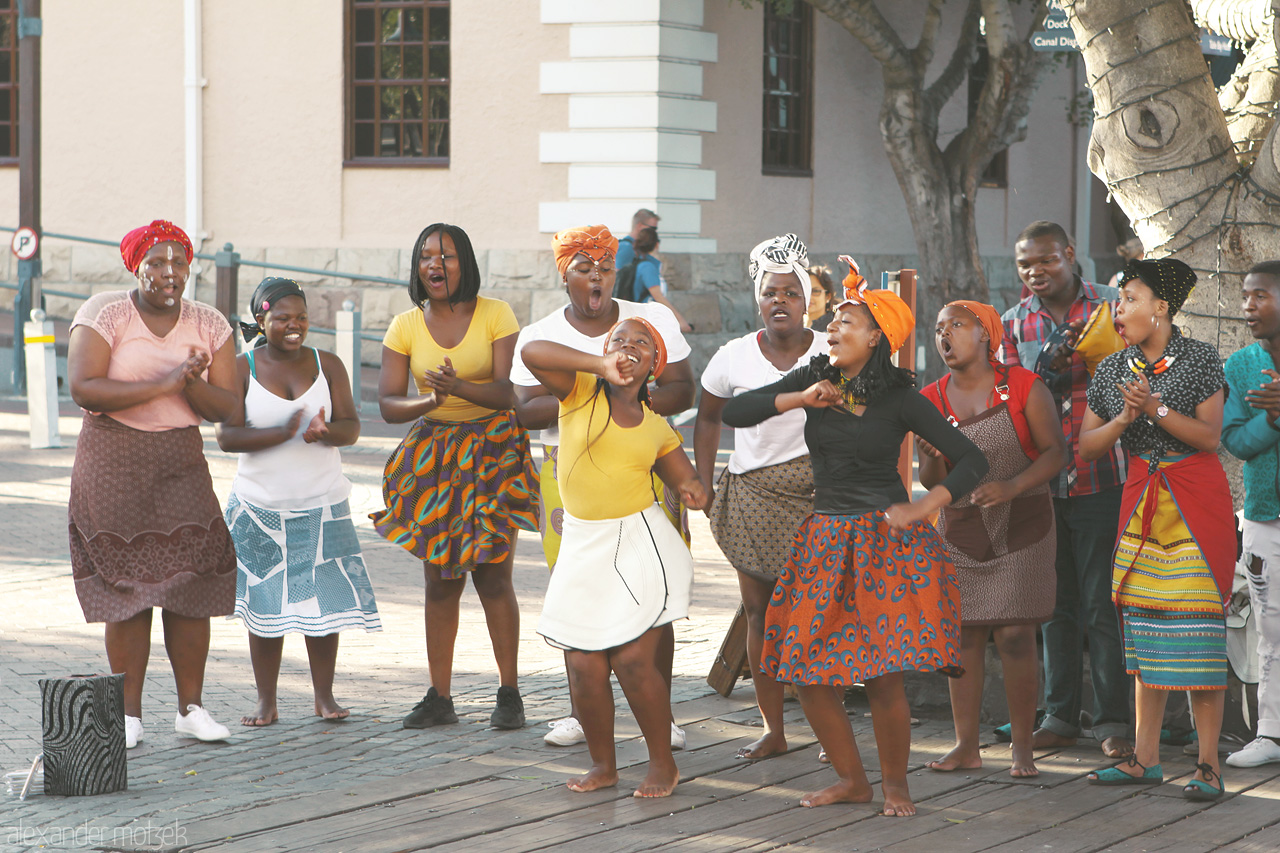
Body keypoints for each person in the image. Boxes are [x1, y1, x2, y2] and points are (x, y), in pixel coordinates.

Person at [722, 259, 988, 816]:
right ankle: (852, 779)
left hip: (883, 542)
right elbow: (737, 409)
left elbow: (971, 459)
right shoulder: (815, 377)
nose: (835, 329)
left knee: (881, 675)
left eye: (848, 321)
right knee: (806, 669)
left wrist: (927, 505)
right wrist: (800, 398)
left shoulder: (900, 399)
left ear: (877, 337)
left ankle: (895, 785)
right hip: (823, 537)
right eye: (835, 320)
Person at [511, 224, 695, 750]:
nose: (597, 275)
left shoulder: (650, 319)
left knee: (651, 590)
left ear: (617, 271)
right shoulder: (541, 333)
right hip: (569, 471)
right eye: (584, 267)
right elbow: (524, 410)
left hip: (646, 459)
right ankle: (581, 712)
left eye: (605, 267)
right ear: (563, 273)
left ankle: (663, 713)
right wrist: (592, 392)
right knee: (580, 587)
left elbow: (682, 383)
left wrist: (634, 404)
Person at [67, 219, 239, 748]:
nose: (169, 273)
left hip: (180, 461)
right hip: (113, 458)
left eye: (179, 263)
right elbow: (84, 388)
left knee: (192, 581)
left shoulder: (210, 323)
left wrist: (190, 383)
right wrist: (164, 381)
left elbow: (228, 409)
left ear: (191, 268)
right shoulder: (104, 312)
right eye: (157, 263)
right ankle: (128, 716)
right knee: (129, 589)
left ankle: (191, 708)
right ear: (135, 266)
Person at [523, 316, 707, 798]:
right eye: (617, 340)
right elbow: (533, 352)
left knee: (630, 661)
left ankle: (662, 765)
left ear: (654, 364)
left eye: (640, 343)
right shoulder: (579, 390)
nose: (627, 346)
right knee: (582, 664)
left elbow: (685, 479)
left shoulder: (656, 428)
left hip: (637, 544)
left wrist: (695, 491)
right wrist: (597, 362)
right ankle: (604, 765)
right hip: (583, 544)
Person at [371, 223, 538, 731]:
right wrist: (431, 400)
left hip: (492, 450)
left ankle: (509, 693)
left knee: (493, 575)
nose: (434, 265)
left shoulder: (495, 313)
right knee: (440, 581)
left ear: (464, 263)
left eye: (445, 256)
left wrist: (459, 385)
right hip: (435, 455)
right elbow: (387, 404)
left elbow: (509, 394)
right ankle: (439, 697)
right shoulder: (403, 325)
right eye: (425, 256)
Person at [1079, 257, 1231, 801]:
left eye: (1131, 299)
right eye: (1120, 301)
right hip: (1141, 496)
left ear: (1161, 307)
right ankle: (1144, 760)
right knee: (1144, 627)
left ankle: (1208, 765)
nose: (1120, 310)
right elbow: (1087, 448)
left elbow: (1210, 438)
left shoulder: (1201, 359)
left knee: (1199, 629)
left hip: (1194, 499)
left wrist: (1155, 406)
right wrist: (1124, 417)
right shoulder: (1112, 369)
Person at [216, 277, 381, 727]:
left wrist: (327, 432)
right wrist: (283, 431)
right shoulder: (241, 367)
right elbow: (227, 436)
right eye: (283, 318)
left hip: (323, 504)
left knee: (324, 609)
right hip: (259, 508)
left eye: (302, 317)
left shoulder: (327, 365)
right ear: (261, 319)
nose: (295, 326)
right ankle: (266, 701)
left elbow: (351, 426)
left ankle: (323, 697)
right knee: (265, 611)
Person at [1000, 220, 1133, 759]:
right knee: (1055, 604)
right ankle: (1058, 716)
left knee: (1104, 603)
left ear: (1070, 255)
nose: (1036, 272)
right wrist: (1047, 367)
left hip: (1105, 474)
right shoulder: (1014, 322)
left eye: (1046, 261)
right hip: (1043, 481)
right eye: (1025, 265)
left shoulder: (1111, 305)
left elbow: (1141, 367)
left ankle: (1112, 722)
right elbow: (1009, 395)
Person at [918, 300, 1067, 778]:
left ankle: (1022, 747)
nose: (945, 336)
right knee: (961, 637)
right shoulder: (929, 399)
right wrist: (933, 456)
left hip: (1022, 523)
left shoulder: (1025, 387)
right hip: (960, 531)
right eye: (939, 328)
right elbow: (929, 480)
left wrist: (1011, 487)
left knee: (1016, 634)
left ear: (986, 334)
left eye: (957, 325)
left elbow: (1053, 454)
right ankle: (966, 746)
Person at [693, 233, 828, 761]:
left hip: (818, 498)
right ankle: (774, 728)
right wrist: (702, 481)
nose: (781, 301)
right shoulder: (733, 357)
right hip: (752, 494)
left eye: (791, 292)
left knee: (820, 613)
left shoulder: (831, 349)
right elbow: (707, 418)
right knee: (760, 613)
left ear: (808, 299)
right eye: (771, 292)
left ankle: (827, 729)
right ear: (758, 298)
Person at [1222, 260, 1280, 768]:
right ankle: (1270, 734)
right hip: (1264, 514)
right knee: (1270, 628)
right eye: (1245, 295)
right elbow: (1237, 442)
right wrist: (1275, 419)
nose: (1247, 306)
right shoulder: (1239, 366)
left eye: (1259, 295)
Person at [632, 227, 693, 333]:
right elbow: (658, 297)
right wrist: (680, 320)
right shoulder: (648, 267)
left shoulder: (643, 264)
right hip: (646, 323)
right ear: (657, 245)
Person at [614, 207, 660, 272]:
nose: (654, 232)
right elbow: (618, 278)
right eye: (653, 228)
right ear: (639, 226)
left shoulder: (638, 247)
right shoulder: (627, 248)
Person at [807, 265, 836, 331]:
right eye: (804, 291)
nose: (808, 296)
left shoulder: (833, 328)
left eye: (815, 291)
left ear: (828, 296)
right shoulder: (793, 325)